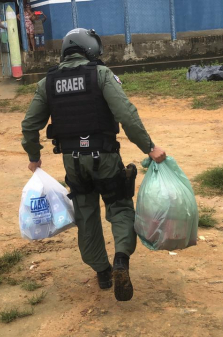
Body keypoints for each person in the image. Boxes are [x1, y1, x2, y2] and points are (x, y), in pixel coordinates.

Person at [21, 28, 167, 302]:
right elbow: (127, 115)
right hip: (105, 156)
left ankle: (102, 272)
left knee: (86, 215)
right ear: (90, 49)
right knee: (120, 205)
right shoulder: (100, 75)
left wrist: (34, 156)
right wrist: (150, 147)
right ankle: (121, 260)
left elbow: (30, 125)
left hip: (73, 162)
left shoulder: (47, 83)